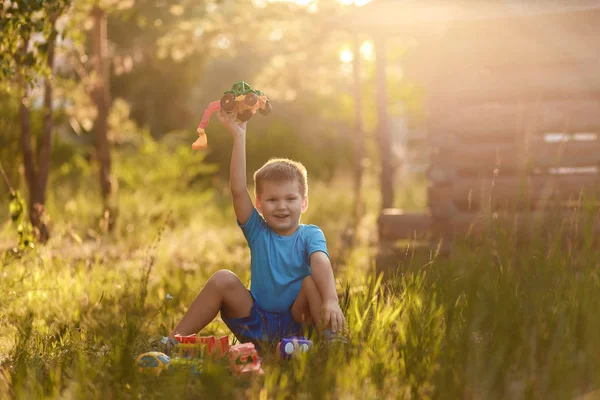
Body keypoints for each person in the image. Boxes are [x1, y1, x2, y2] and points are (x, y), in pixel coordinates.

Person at [168, 109, 345, 350]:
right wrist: (239, 136)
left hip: (298, 323)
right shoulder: (258, 232)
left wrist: (332, 300)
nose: (282, 206)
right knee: (222, 278)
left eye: (290, 199)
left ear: (304, 202)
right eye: (272, 200)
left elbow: (321, 262)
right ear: (259, 204)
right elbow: (239, 190)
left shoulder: (310, 234)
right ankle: (173, 341)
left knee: (311, 282)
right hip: (257, 324)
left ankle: (330, 342)